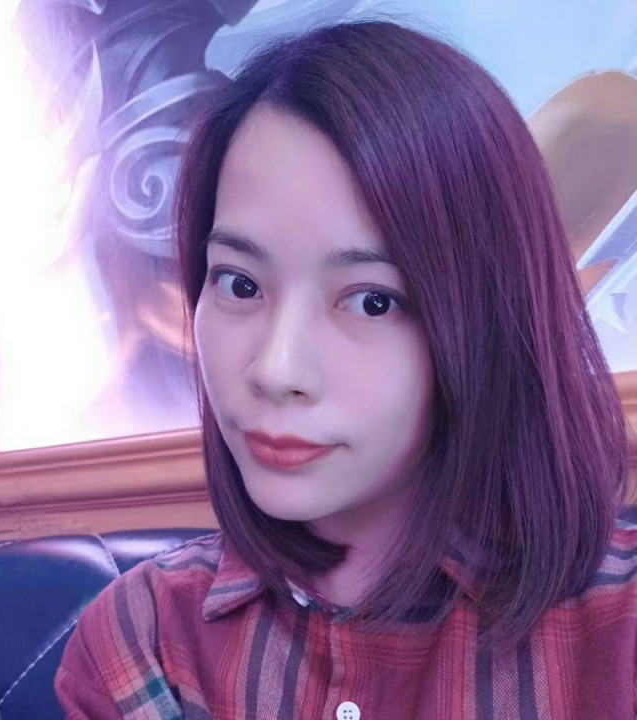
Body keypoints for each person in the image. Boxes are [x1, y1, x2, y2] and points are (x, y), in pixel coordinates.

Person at [55, 21, 635, 719]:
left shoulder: (617, 627)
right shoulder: (146, 634)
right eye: (240, 284)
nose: (276, 370)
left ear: (494, 314)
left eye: (371, 301)